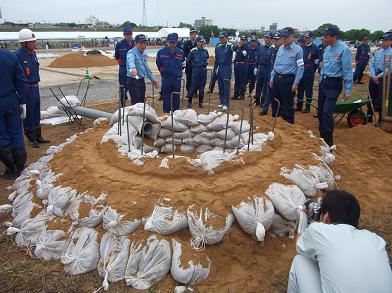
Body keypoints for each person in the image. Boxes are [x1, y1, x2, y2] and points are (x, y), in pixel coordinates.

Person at [288, 190, 392, 293]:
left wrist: (303, 220)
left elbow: (300, 246)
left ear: (326, 217)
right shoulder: (376, 239)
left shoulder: (319, 231)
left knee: (300, 260)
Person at [15, 28, 50, 149]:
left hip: (35, 87)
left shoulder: (33, 55)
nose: (35, 43)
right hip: (26, 88)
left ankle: (38, 134)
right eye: (32, 42)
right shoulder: (18, 56)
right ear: (24, 43)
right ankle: (31, 137)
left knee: (36, 111)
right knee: (28, 113)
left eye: (34, 41)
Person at [318, 25, 353, 146]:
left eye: (327, 37)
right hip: (324, 82)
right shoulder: (327, 49)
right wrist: (321, 76)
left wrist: (348, 90)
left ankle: (329, 142)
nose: (324, 39)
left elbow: (347, 70)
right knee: (320, 111)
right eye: (324, 36)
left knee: (327, 111)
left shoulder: (344, 50)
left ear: (335, 37)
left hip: (334, 84)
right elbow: (323, 63)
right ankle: (321, 137)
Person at [0, 48, 28, 179]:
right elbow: (21, 81)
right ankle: (21, 166)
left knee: (2, 135)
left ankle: (11, 170)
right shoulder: (10, 57)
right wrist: (23, 102)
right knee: (16, 132)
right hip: (11, 99)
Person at [269, 27, 304, 124]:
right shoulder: (280, 48)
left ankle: (288, 124)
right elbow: (276, 64)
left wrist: (296, 83)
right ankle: (275, 123)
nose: (284, 39)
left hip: (288, 80)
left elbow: (300, 68)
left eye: (286, 37)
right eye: (282, 36)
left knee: (287, 104)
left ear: (292, 37)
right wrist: (272, 78)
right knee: (275, 102)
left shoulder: (298, 50)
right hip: (277, 79)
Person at [156, 33, 185, 113]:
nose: (172, 44)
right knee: (166, 97)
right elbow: (158, 64)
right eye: (170, 42)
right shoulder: (161, 52)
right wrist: (164, 72)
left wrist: (177, 72)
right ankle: (166, 113)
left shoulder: (180, 52)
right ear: (167, 42)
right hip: (166, 79)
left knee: (176, 96)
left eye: (173, 42)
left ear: (176, 42)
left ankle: (176, 113)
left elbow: (183, 65)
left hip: (177, 79)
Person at [126, 34, 158, 105]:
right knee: (136, 103)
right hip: (133, 80)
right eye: (141, 43)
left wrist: (152, 78)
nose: (143, 45)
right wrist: (133, 68)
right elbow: (130, 61)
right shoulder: (131, 52)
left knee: (142, 102)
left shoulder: (143, 54)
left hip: (141, 80)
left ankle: (141, 115)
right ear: (136, 43)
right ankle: (135, 116)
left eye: (144, 43)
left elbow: (146, 68)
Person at [369, 31, 392, 126]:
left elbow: (390, 68)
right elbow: (372, 64)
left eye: (385, 40)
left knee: (382, 98)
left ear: (391, 42)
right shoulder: (378, 52)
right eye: (382, 40)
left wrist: (378, 77)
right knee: (371, 96)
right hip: (375, 76)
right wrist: (374, 75)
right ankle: (369, 116)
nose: (382, 42)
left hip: (385, 78)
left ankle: (381, 120)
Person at [296, 31, 320, 113]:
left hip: (309, 71)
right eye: (306, 37)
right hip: (300, 70)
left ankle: (307, 107)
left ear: (312, 38)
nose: (307, 39)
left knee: (308, 89)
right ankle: (299, 105)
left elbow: (317, 61)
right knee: (300, 89)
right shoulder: (301, 47)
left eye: (308, 37)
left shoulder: (315, 48)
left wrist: (313, 69)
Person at [260, 31, 282, 115]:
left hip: (280, 75)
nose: (276, 41)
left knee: (277, 95)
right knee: (268, 92)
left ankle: (276, 111)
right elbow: (271, 62)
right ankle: (265, 109)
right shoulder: (272, 49)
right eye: (275, 39)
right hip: (271, 73)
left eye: (278, 40)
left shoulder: (283, 50)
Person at [214, 31, 235, 110]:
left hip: (226, 68)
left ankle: (226, 103)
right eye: (220, 38)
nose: (221, 39)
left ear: (226, 38)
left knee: (226, 86)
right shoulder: (218, 47)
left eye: (223, 38)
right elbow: (217, 59)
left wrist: (236, 45)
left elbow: (235, 48)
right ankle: (222, 101)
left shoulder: (230, 46)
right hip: (220, 68)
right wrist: (215, 68)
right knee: (220, 86)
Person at [114, 27, 135, 107]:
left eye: (130, 34)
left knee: (134, 85)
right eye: (127, 34)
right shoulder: (119, 45)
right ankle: (123, 105)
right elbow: (117, 56)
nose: (129, 36)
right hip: (123, 67)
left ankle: (134, 105)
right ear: (124, 35)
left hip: (133, 68)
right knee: (122, 86)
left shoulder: (135, 43)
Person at [187, 35, 209, 108]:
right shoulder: (193, 51)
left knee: (202, 88)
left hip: (203, 71)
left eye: (203, 41)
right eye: (200, 41)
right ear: (197, 42)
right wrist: (194, 67)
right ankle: (189, 102)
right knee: (193, 87)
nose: (202, 43)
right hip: (196, 71)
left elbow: (207, 60)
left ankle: (200, 103)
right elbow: (188, 61)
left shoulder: (205, 51)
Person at [254, 32, 274, 106]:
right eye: (265, 38)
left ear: (271, 39)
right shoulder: (261, 47)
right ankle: (257, 99)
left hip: (268, 68)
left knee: (266, 86)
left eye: (268, 38)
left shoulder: (273, 48)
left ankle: (263, 100)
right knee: (258, 84)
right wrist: (256, 67)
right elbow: (258, 58)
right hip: (261, 68)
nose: (266, 39)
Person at [233, 36, 249, 100]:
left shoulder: (247, 48)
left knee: (242, 81)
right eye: (241, 40)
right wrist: (236, 47)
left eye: (243, 40)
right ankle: (236, 94)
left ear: (246, 41)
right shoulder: (239, 46)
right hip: (237, 64)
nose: (241, 41)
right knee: (237, 81)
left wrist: (238, 48)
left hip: (243, 65)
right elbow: (234, 49)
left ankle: (242, 94)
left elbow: (242, 54)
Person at [182, 28, 197, 95]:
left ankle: (195, 92)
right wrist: (189, 57)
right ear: (190, 35)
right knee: (189, 78)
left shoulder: (198, 42)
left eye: (194, 34)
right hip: (189, 64)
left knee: (196, 78)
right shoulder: (186, 43)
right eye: (192, 34)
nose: (193, 35)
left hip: (196, 64)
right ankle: (188, 91)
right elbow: (184, 52)